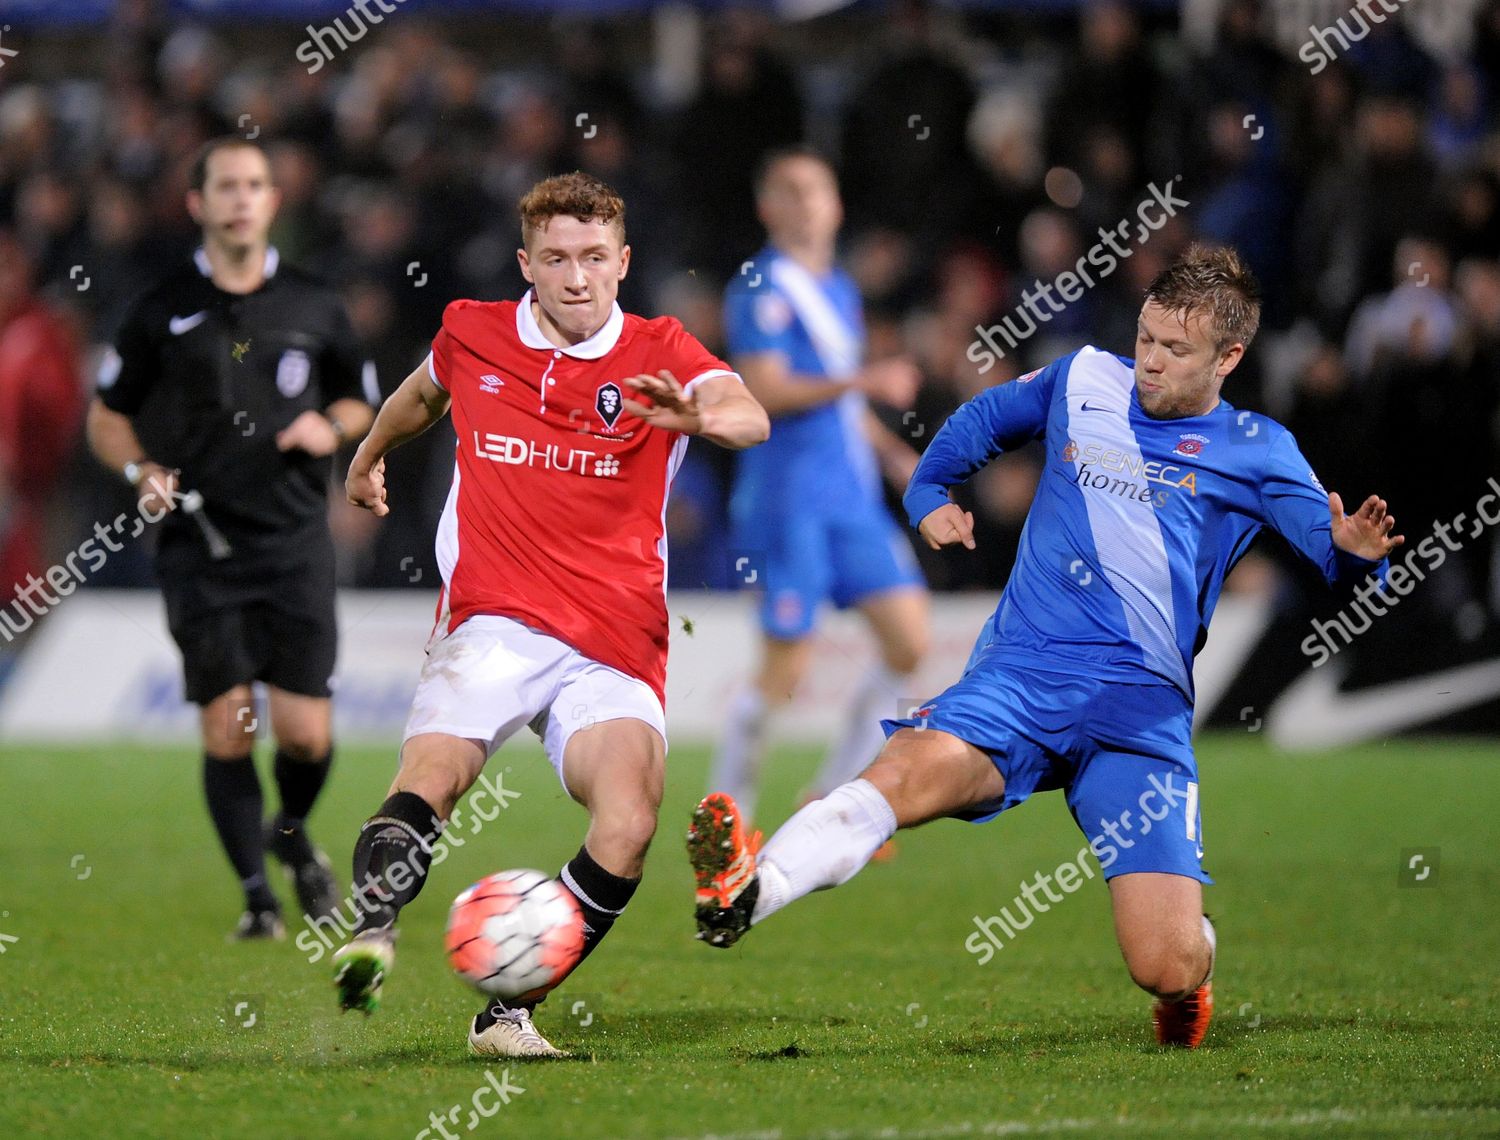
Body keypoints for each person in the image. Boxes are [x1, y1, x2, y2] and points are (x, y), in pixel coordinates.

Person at [689, 245, 1403, 1049]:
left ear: (1229, 357)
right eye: (1146, 339)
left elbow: (1333, 566)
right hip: (1021, 683)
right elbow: (984, 421)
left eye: (1176, 350)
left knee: (1164, 965)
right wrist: (929, 492)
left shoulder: (1259, 449)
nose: (1151, 362)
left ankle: (1194, 961)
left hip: (1139, 720)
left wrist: (1354, 557)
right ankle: (752, 890)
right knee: (903, 775)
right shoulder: (1083, 379)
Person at [332, 172, 769, 1058]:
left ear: (623, 263)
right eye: (559, 259)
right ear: (527, 264)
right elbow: (421, 395)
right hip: (495, 615)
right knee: (434, 774)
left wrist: (699, 414)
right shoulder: (475, 331)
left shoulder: (661, 347)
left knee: (629, 821)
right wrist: (370, 452)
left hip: (613, 639)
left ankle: (505, 1013)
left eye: (596, 259)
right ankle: (373, 930)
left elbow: (748, 414)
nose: (578, 278)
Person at [86, 137, 377, 940]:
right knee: (228, 725)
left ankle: (288, 832)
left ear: (274, 202)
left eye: (256, 185)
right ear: (197, 204)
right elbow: (106, 415)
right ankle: (257, 897)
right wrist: (140, 468)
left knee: (307, 735)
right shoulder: (160, 308)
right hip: (201, 544)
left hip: (294, 543)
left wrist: (332, 425)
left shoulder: (319, 304)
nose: (242, 198)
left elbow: (363, 399)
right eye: (226, 186)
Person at [708, 146, 929, 827]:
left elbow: (839, 403)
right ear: (767, 207)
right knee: (787, 670)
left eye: (818, 191)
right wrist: (865, 380)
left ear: (836, 205)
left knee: (910, 642)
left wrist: (892, 451)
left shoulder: (838, 289)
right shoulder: (759, 286)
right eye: (792, 191)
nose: (808, 204)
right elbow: (766, 388)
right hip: (788, 499)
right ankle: (727, 813)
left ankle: (831, 794)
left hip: (851, 499)